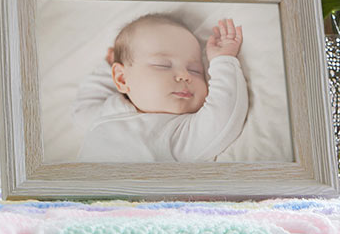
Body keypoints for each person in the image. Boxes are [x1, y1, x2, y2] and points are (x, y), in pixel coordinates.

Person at [75, 13, 248, 162]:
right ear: (121, 78)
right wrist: (106, 67)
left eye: (195, 70)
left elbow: (223, 115)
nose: (184, 75)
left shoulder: (179, 131)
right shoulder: (108, 109)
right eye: (163, 65)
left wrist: (223, 61)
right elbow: (84, 108)